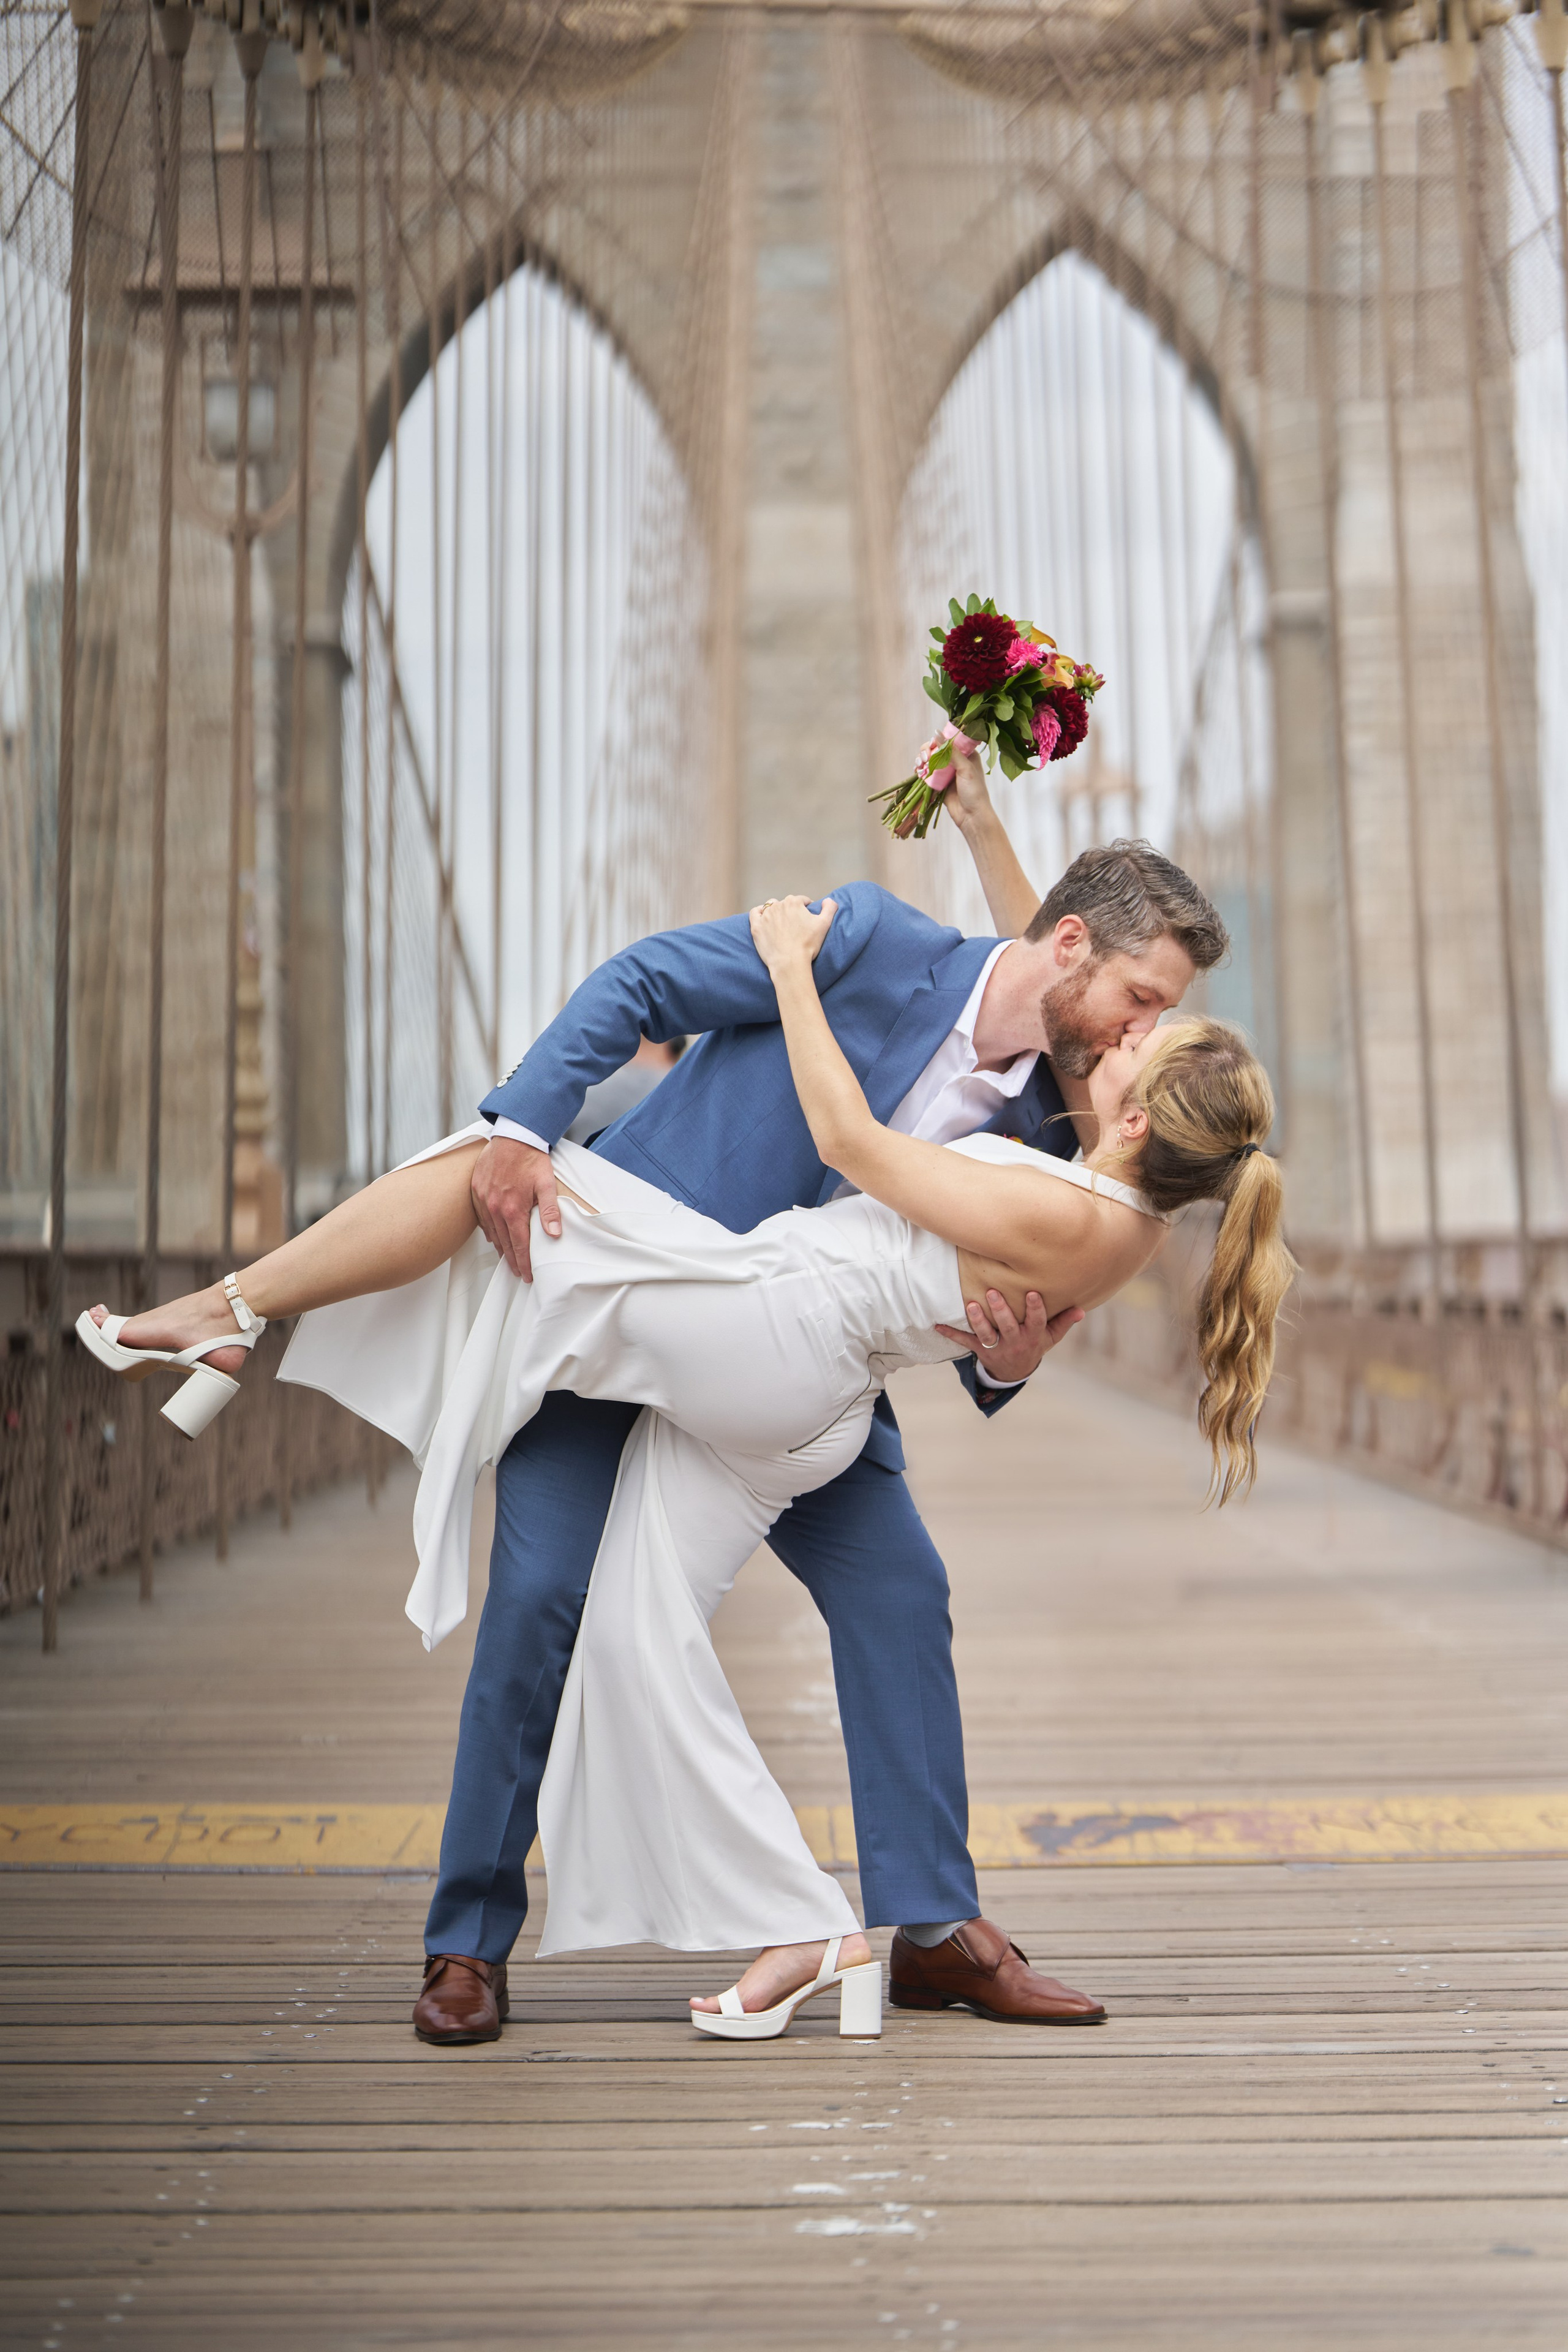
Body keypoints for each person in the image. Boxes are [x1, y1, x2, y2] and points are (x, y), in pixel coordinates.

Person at [80, 752, 1229, 2041]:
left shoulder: (1050, 1123)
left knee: (901, 1592)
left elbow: (989, 1295)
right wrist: (524, 1127)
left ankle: (931, 1932)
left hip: (795, 1374)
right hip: (635, 1296)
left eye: (1158, 1014)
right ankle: (467, 1941)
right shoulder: (868, 942)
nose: (1138, 1032)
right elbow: (642, 982)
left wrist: (1005, 1363)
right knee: (540, 1597)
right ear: (1069, 948)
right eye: (1140, 998)